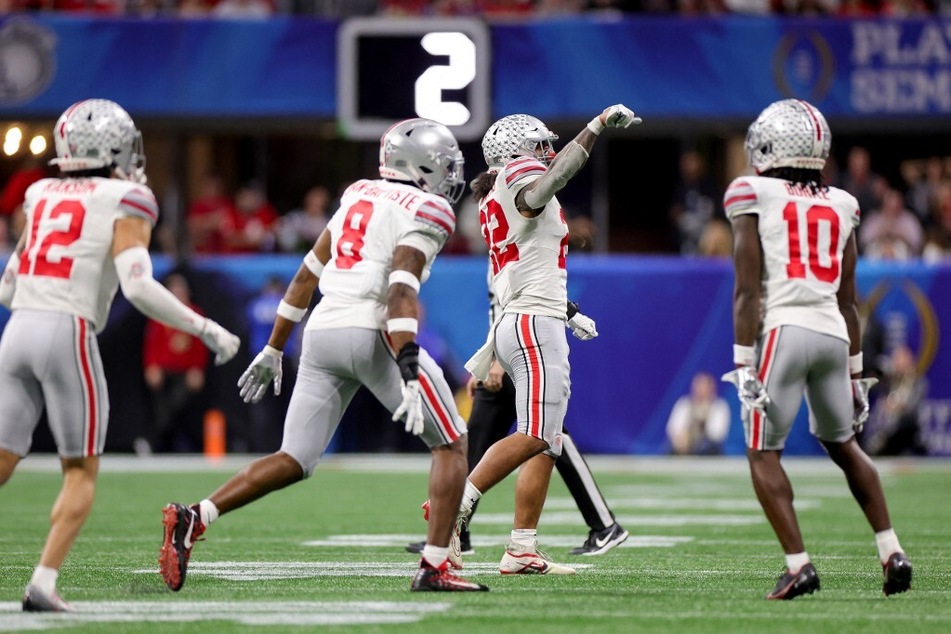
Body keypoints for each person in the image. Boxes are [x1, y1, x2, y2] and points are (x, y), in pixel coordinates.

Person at [159, 117, 488, 593]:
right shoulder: (428, 209)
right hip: (373, 332)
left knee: (294, 457)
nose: (450, 178)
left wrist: (274, 347)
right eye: (444, 166)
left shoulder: (358, 195)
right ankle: (434, 566)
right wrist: (411, 364)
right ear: (422, 167)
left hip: (322, 330)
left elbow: (304, 276)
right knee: (452, 444)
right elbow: (400, 291)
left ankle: (197, 516)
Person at [0, 99, 240, 612]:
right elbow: (138, 286)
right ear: (112, 148)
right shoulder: (126, 196)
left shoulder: (40, 192)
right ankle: (43, 583)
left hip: (17, 328)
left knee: (2, 461)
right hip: (66, 331)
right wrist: (204, 328)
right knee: (80, 471)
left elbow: (7, 285)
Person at [722, 98, 912, 600]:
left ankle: (798, 564)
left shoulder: (750, 191)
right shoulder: (844, 203)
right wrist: (855, 373)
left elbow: (747, 291)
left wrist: (743, 362)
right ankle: (891, 549)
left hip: (785, 328)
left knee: (763, 452)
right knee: (845, 446)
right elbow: (850, 301)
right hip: (832, 331)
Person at [451, 105, 640, 575]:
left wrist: (569, 312)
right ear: (515, 152)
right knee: (535, 433)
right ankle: (454, 508)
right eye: (539, 145)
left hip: (532, 316)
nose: (547, 152)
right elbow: (555, 177)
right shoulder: (517, 179)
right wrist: (594, 127)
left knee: (548, 439)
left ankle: (521, 547)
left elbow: (520, 268)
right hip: (533, 322)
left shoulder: (496, 192)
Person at [407, 282, 628, 557]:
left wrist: (498, 360)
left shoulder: (513, 246)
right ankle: (461, 531)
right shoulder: (502, 247)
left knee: (545, 436)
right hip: (511, 348)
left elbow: (524, 293)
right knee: (487, 438)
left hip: (521, 349)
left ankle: (599, 526)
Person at [138, 273, 210, 455]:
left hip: (185, 371)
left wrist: (198, 369)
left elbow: (200, 344)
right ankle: (158, 443)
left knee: (178, 405)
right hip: (164, 369)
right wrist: (151, 365)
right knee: (162, 407)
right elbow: (152, 342)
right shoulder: (160, 313)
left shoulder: (195, 314)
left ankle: (164, 441)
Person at [666, 371, 730, 456]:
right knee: (671, 449)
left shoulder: (719, 406)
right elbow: (673, 427)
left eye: (703, 386)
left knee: (706, 448)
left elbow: (717, 434)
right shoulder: (684, 404)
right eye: (697, 385)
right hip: (684, 444)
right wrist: (682, 437)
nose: (699, 389)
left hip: (707, 447)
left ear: (711, 388)